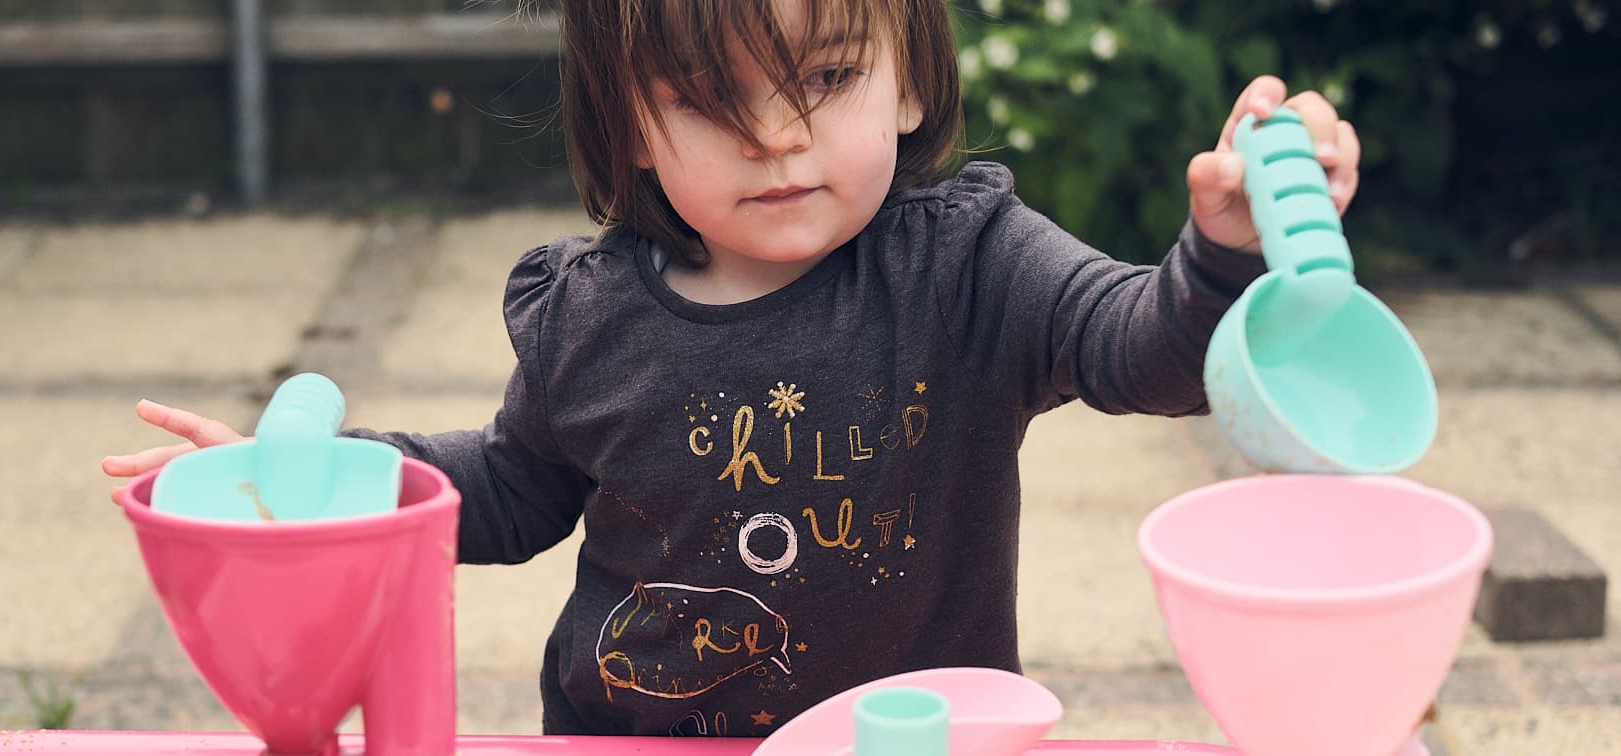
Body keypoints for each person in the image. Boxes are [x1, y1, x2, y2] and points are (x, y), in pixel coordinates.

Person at [102, 0, 1361, 738]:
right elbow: (515, 488)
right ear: (631, 126)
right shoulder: (585, 315)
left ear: (911, 80)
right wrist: (335, 478)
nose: (776, 137)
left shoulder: (971, 267)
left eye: (823, 77)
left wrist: (1222, 255)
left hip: (901, 746)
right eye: (712, 99)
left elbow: (1142, 350)